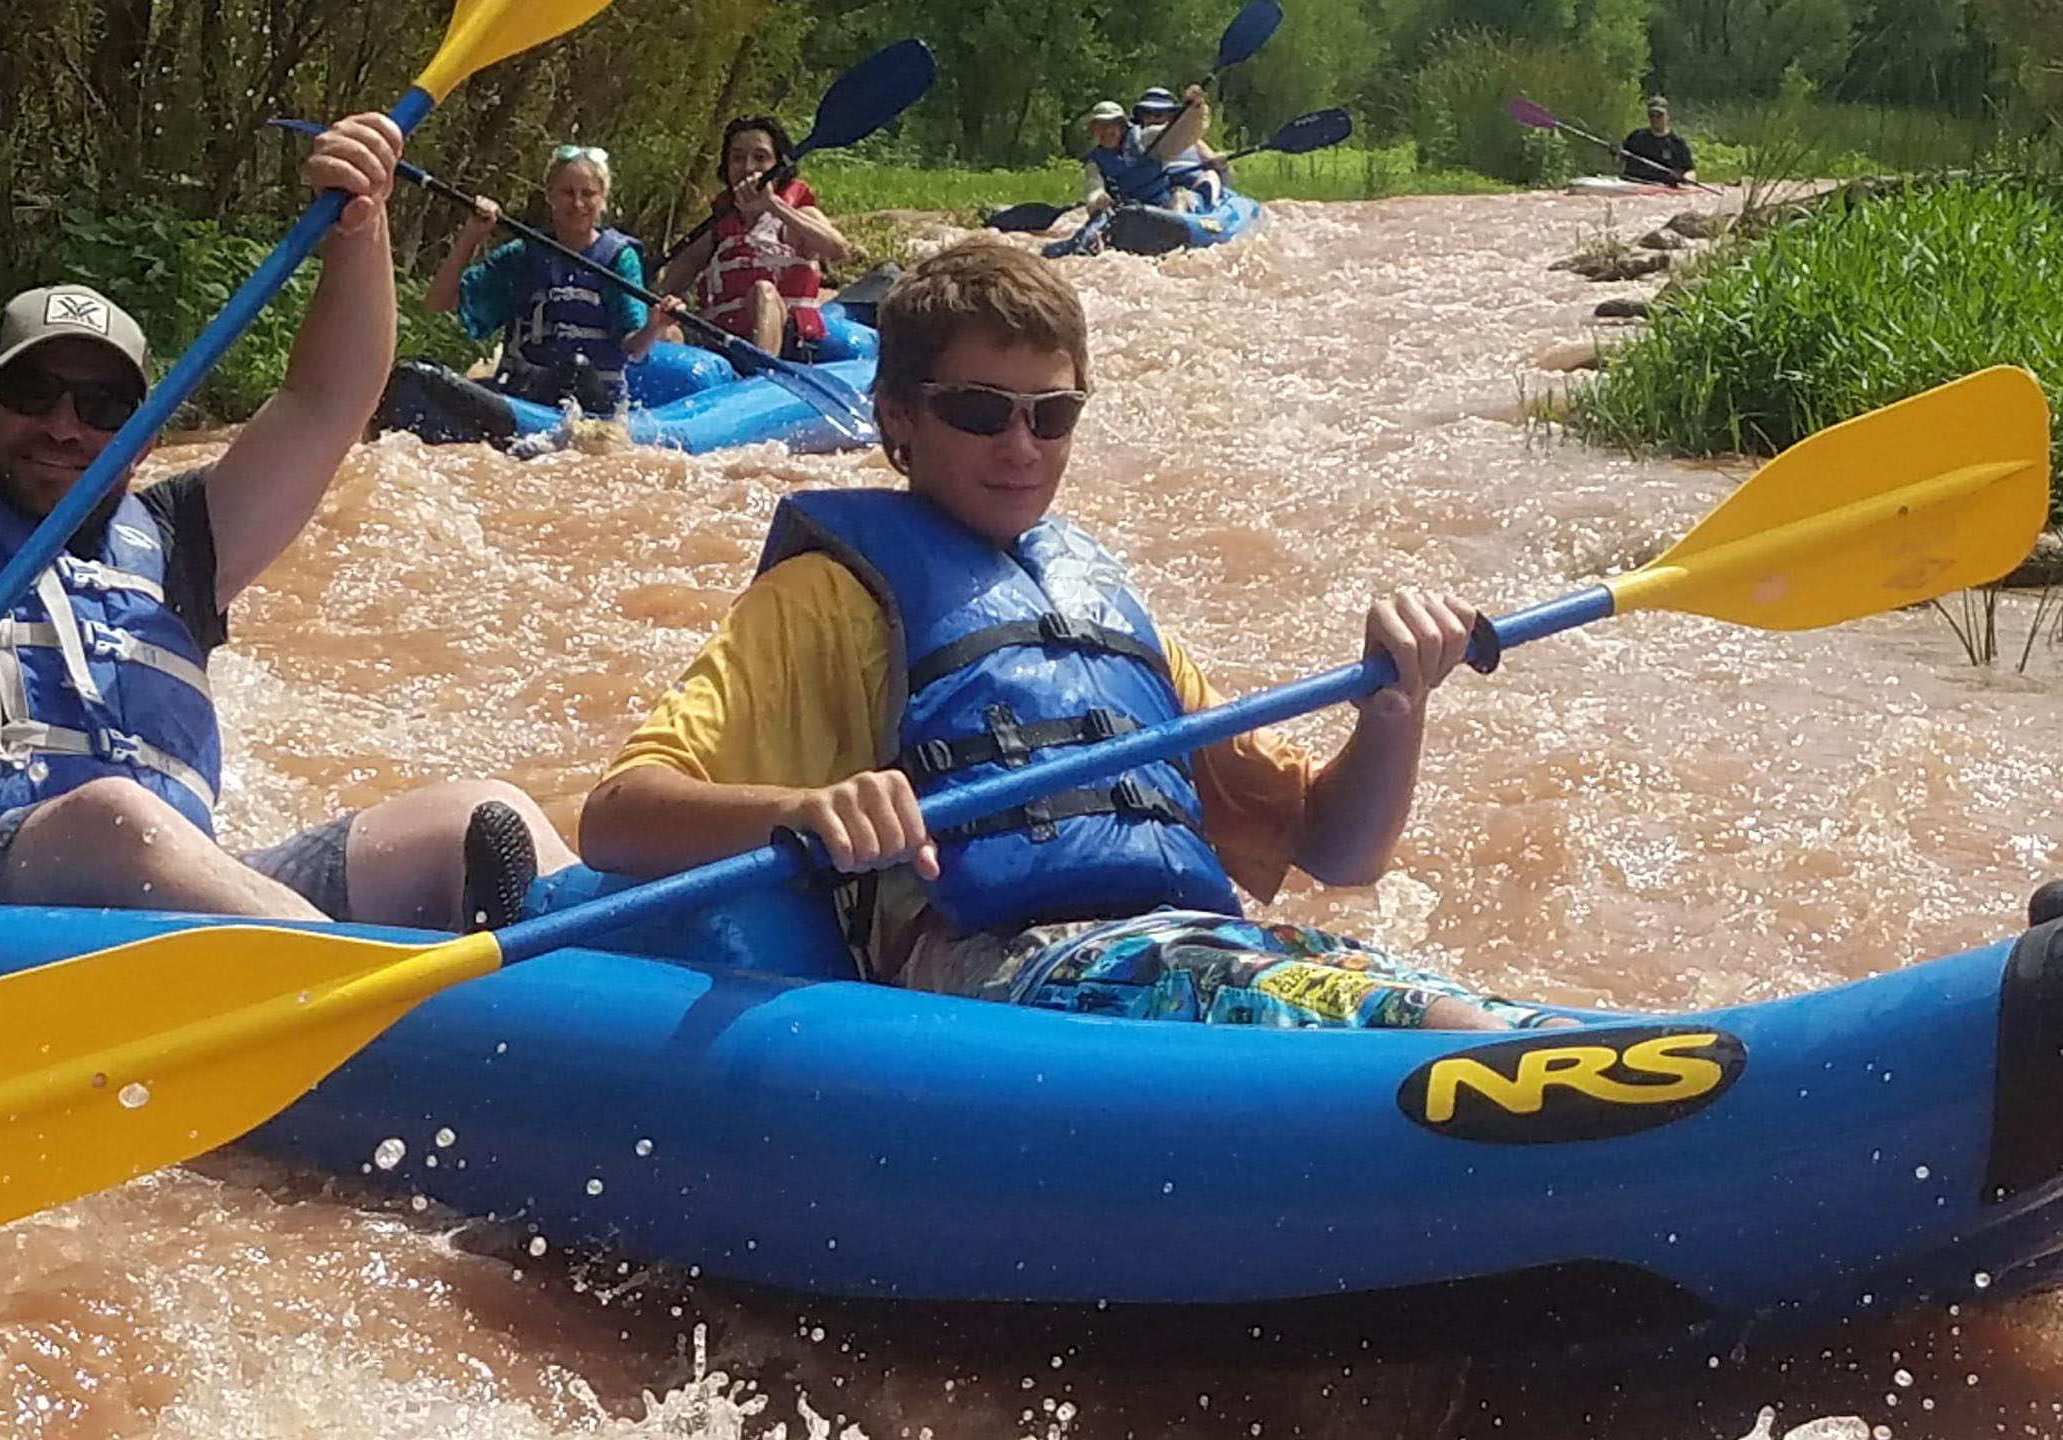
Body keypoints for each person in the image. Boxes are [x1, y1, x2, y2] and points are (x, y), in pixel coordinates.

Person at [577, 240, 1569, 1031]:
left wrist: (1394, 709)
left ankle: (1536, 1053)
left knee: (1377, 983)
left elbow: (1335, 848)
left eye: (1052, 415)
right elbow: (618, 814)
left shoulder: (1092, 601)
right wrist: (809, 808)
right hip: (991, 968)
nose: (1021, 446)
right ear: (896, 421)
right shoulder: (826, 600)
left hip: (1180, 952)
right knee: (1367, 1011)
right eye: (980, 412)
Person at [0, 114, 569, 932]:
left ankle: (622, 965)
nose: (64, 425)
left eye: (102, 405)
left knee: (477, 815)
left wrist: (360, 228)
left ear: (139, 437)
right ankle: (381, 999)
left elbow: (327, 401)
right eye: (32, 391)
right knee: (116, 820)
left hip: (188, 894)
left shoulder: (180, 540)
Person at [420, 143, 675, 415]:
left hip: (592, 402)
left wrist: (654, 326)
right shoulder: (524, 255)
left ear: (602, 199)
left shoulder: (618, 260)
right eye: (567, 193)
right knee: (423, 373)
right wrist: (471, 235)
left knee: (576, 369)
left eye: (588, 194)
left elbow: (634, 350)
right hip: (526, 395)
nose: (577, 204)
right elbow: (439, 302)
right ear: (550, 196)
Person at [655, 116, 851, 364]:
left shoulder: (796, 217)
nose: (748, 168)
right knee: (665, 326)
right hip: (722, 343)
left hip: (790, 344)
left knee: (763, 292)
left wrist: (774, 205)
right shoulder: (714, 230)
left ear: (778, 166)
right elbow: (664, 293)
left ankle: (761, 379)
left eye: (760, 158)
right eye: (737, 158)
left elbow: (839, 249)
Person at [1078, 87, 1214, 219]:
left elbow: (1180, 134)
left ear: (1122, 126)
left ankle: (1179, 228)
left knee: (1179, 198)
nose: (1107, 132)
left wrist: (1195, 109)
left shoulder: (1146, 138)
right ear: (1093, 131)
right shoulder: (1096, 161)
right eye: (1101, 127)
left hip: (1163, 206)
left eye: (1111, 125)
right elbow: (1093, 184)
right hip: (1128, 211)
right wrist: (1097, 199)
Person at [1131, 86, 1226, 208]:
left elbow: (1215, 163)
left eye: (1158, 114)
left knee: (1211, 175)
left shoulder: (1192, 139)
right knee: (1178, 197)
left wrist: (1219, 164)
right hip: (1161, 186)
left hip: (1193, 183)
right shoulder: (1138, 138)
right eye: (1147, 114)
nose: (1152, 119)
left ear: (1171, 117)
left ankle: (1199, 201)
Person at [1619, 97, 1697, 188]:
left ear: (1667, 116)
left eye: (1659, 115)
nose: (1655, 119)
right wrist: (1616, 152)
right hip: (1632, 185)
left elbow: (1690, 171)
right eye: (1651, 115)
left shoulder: (1677, 144)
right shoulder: (1636, 137)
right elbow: (1619, 160)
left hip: (1662, 188)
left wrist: (1684, 178)